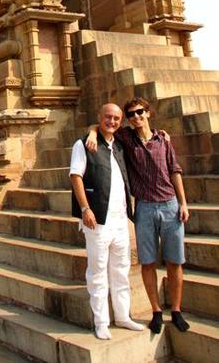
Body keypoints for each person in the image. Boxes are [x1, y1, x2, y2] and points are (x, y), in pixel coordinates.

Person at [85, 97, 190, 333]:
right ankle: (155, 311)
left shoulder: (163, 139)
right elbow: (104, 125)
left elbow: (175, 171)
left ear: (148, 113)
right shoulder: (126, 138)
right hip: (144, 207)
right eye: (131, 114)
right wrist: (91, 133)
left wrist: (183, 203)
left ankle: (176, 310)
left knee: (174, 261)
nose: (136, 117)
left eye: (139, 112)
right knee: (148, 261)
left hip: (170, 205)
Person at [69, 102, 144, 340]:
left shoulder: (120, 145)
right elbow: (75, 175)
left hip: (120, 220)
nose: (112, 121)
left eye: (116, 119)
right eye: (107, 118)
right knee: (98, 271)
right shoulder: (84, 144)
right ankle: (101, 321)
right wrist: (85, 208)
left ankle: (123, 316)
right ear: (99, 118)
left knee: (121, 270)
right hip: (97, 220)